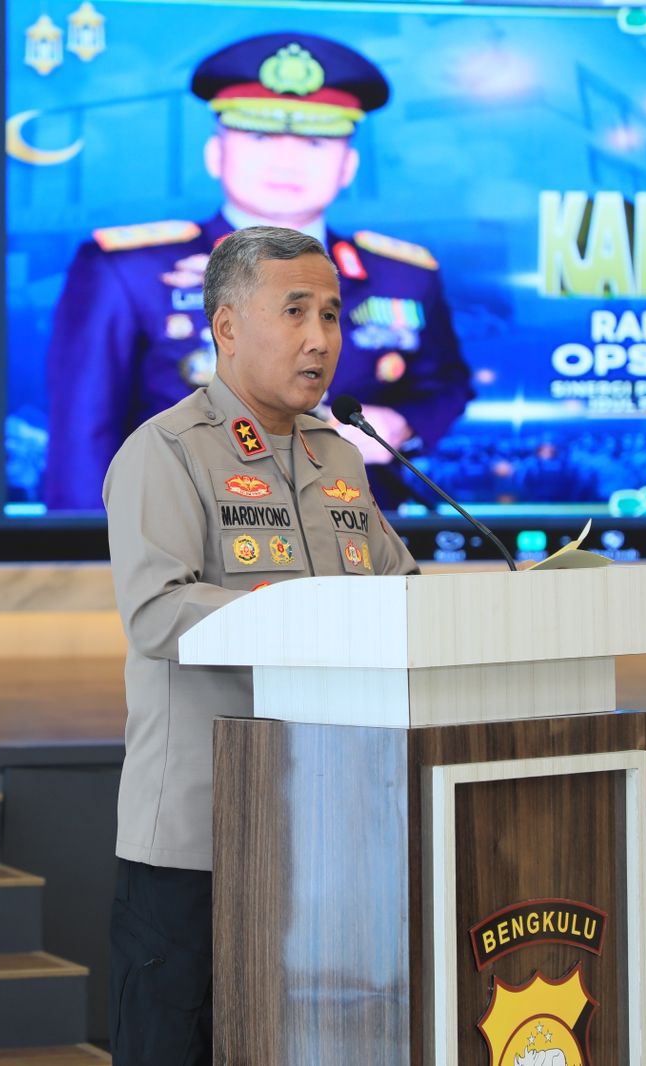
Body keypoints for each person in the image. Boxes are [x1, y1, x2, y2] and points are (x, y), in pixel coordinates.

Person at [102, 226, 420, 1063]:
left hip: (328, 830)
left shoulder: (340, 457)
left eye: (332, 315)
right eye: (295, 312)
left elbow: (403, 594)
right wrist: (302, 617)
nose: (320, 338)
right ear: (227, 326)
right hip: (199, 841)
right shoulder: (168, 451)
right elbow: (157, 613)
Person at [44, 32, 473, 511]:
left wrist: (401, 425)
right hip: (189, 541)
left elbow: (445, 384)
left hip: (358, 537)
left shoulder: (403, 275)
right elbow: (82, 442)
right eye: (261, 137)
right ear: (215, 155)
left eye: (315, 142)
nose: (287, 161)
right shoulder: (127, 270)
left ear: (348, 166)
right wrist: (91, 550)